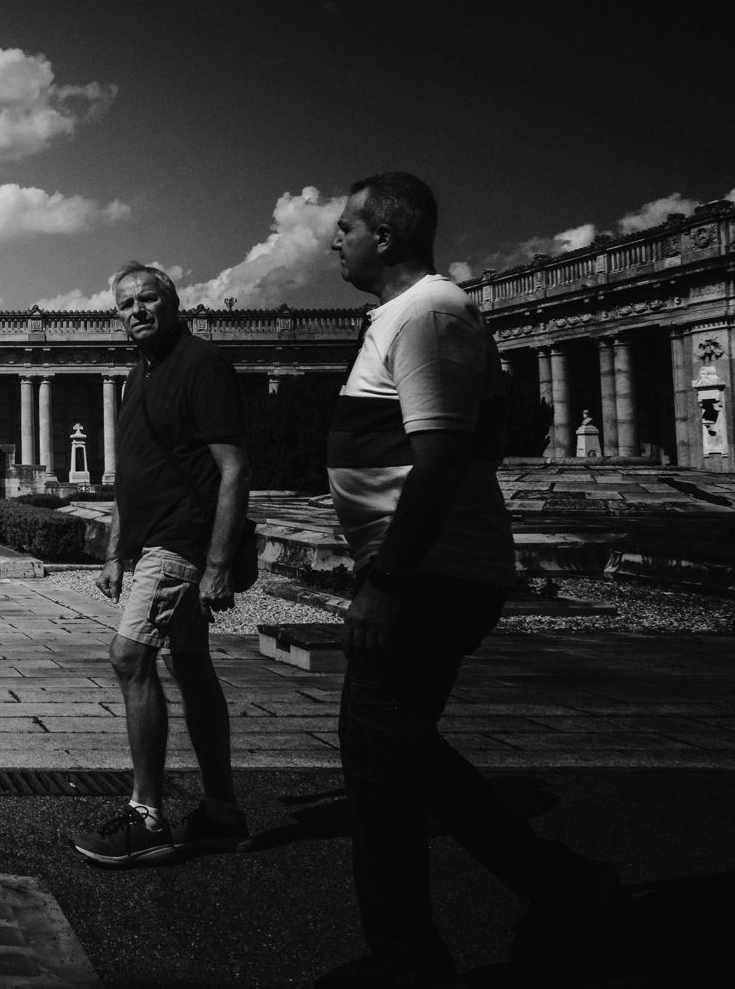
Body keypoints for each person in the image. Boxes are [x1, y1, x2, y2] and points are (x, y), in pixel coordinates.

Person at [317, 173, 619, 989]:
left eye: (344, 224)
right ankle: (563, 884)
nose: (331, 237)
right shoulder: (410, 314)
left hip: (430, 575)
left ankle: (408, 959)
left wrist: (385, 578)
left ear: (385, 234)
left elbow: (443, 459)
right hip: (428, 570)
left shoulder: (431, 313)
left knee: (379, 771)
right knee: (402, 752)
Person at [72, 262, 251, 867]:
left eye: (149, 299)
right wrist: (117, 548)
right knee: (193, 668)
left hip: (183, 538)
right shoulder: (136, 373)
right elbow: (134, 471)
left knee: (129, 656)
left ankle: (146, 815)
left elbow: (234, 467)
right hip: (150, 540)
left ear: (175, 303)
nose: (137, 311)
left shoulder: (201, 364)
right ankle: (222, 811)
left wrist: (219, 562)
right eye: (126, 304)